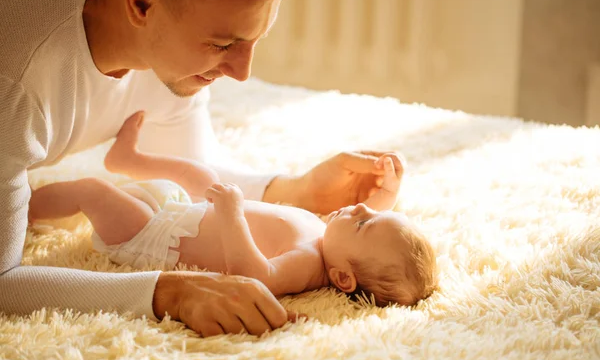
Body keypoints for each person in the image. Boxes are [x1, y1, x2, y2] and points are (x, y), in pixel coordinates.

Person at [0, 0, 398, 337]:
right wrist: (171, 292)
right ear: (141, 3)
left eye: (254, 39)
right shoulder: (17, 85)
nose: (242, 73)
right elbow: (4, 280)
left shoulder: (167, 58)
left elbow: (195, 170)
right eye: (223, 44)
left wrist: (298, 192)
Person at [28, 113, 438, 310]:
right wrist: (385, 200)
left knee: (92, 192)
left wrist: (232, 216)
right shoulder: (333, 239)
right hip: (182, 212)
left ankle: (21, 210)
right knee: (197, 171)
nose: (361, 207)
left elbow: (256, 276)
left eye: (364, 221)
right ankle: (128, 159)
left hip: (153, 237)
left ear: (343, 278)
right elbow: (371, 232)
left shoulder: (308, 261)